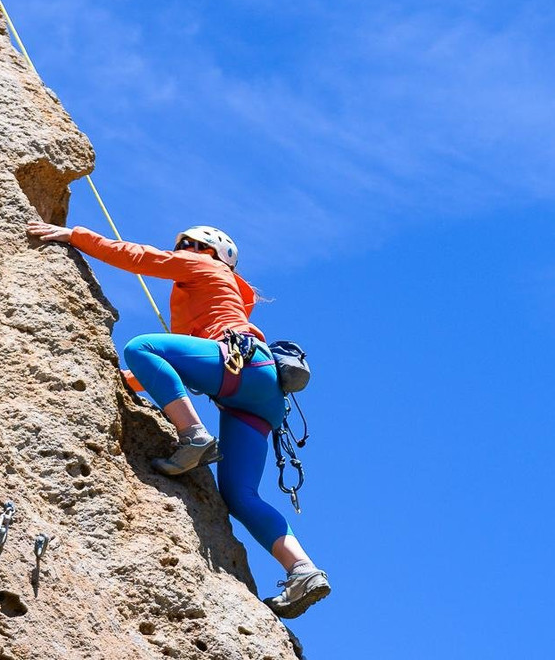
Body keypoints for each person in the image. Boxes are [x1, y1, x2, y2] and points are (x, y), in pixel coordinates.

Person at [25, 220, 330, 618]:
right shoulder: (219, 299)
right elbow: (172, 369)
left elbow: (141, 258)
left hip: (239, 367)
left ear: (207, 251)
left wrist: (77, 237)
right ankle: (302, 570)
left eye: (188, 243)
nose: (183, 249)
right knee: (240, 497)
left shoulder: (206, 267)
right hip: (258, 396)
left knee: (141, 345)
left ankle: (193, 436)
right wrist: (121, 383)